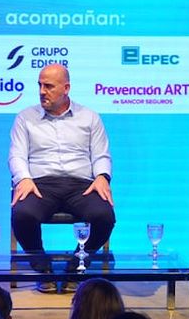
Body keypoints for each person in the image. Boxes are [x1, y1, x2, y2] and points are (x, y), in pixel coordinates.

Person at [9, 63, 115, 293]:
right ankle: (42, 267)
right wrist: (24, 178)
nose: (41, 91)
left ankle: (77, 264)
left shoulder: (89, 118)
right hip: (40, 184)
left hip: (81, 185)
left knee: (104, 215)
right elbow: (16, 155)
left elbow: (101, 155)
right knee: (22, 214)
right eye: (39, 85)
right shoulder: (25, 118)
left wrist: (102, 176)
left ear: (66, 88)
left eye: (48, 86)